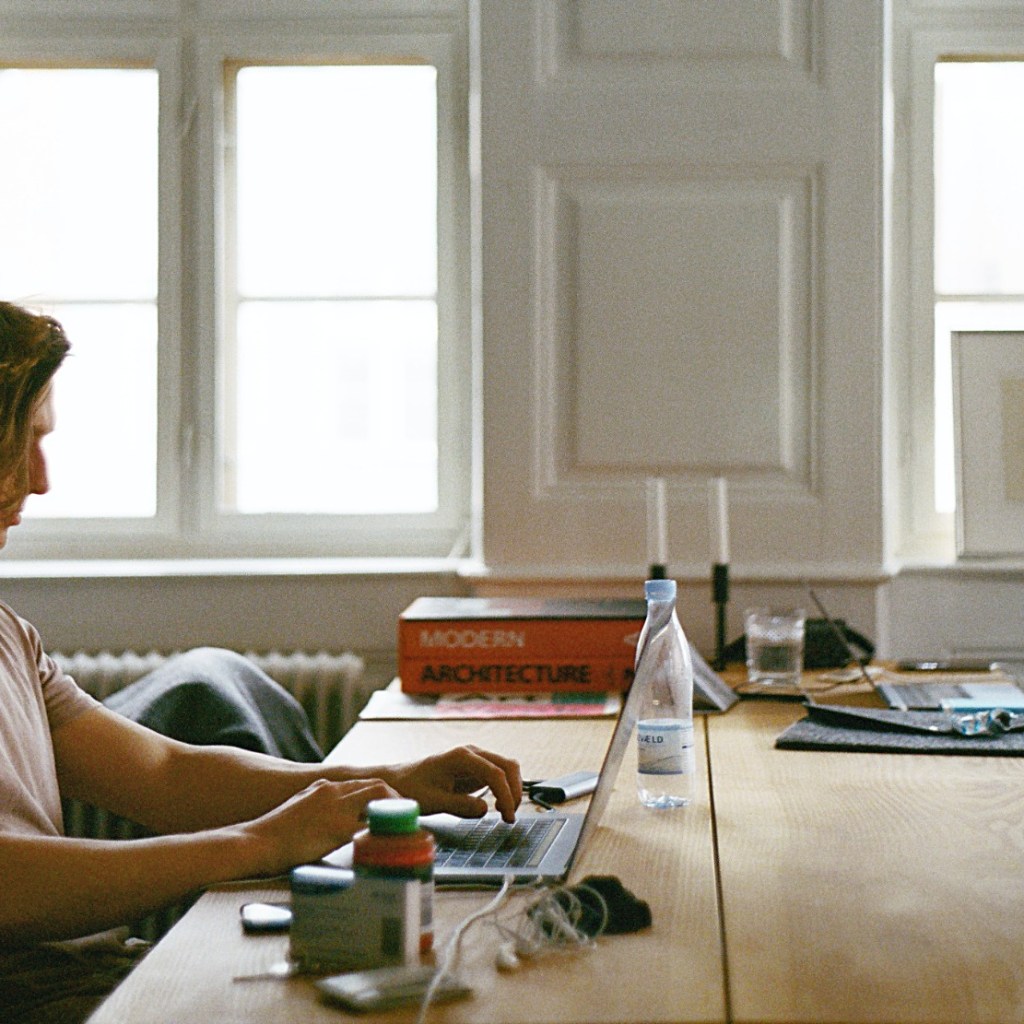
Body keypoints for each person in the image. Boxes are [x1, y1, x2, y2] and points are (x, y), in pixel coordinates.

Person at [0, 301, 523, 1023]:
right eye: (22, 441)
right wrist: (257, 843)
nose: (41, 477)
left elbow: (165, 774)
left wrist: (384, 785)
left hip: (83, 972)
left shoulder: (8, 636)